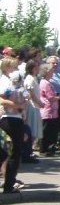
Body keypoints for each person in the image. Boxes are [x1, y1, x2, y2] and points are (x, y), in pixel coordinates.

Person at [0, 57, 27, 193]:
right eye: (13, 67)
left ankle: (9, 181)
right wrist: (20, 105)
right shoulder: (10, 84)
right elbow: (2, 99)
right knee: (13, 153)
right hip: (11, 119)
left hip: (9, 118)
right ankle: (8, 184)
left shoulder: (9, 87)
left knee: (6, 152)